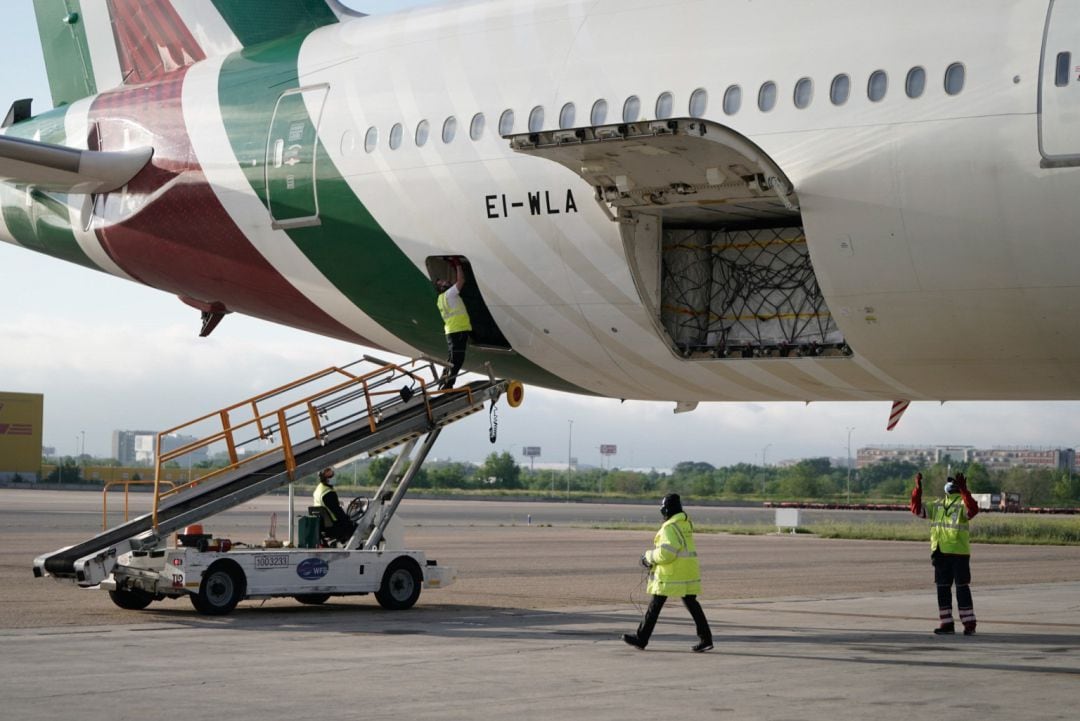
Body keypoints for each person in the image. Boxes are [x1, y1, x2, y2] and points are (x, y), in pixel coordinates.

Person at [623, 493, 714, 652]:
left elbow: (667, 553)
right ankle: (706, 639)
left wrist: (648, 557)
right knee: (692, 604)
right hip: (688, 571)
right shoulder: (685, 524)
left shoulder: (669, 528)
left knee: (655, 605)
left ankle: (641, 638)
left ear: (666, 510)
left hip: (671, 574)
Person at [911, 471, 980, 635]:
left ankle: (969, 623)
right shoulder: (938, 505)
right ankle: (947, 623)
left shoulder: (963, 503)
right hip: (940, 552)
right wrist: (917, 490)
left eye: (953, 482)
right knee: (942, 589)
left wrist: (965, 491)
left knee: (962, 588)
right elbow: (917, 510)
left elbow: (973, 510)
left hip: (958, 552)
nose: (949, 484)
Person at [434, 257, 472, 390]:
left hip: (452, 331)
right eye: (443, 282)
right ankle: (447, 385)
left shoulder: (440, 299)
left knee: (452, 360)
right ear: (442, 287)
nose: (447, 281)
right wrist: (458, 265)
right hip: (458, 331)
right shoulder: (450, 294)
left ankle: (444, 384)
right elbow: (461, 281)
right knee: (457, 360)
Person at [312, 467, 355, 545]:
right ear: (326, 475)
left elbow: (328, 506)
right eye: (331, 473)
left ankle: (343, 541)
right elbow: (338, 512)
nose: (333, 475)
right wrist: (349, 520)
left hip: (323, 526)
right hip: (333, 527)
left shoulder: (319, 489)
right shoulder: (328, 493)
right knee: (355, 527)